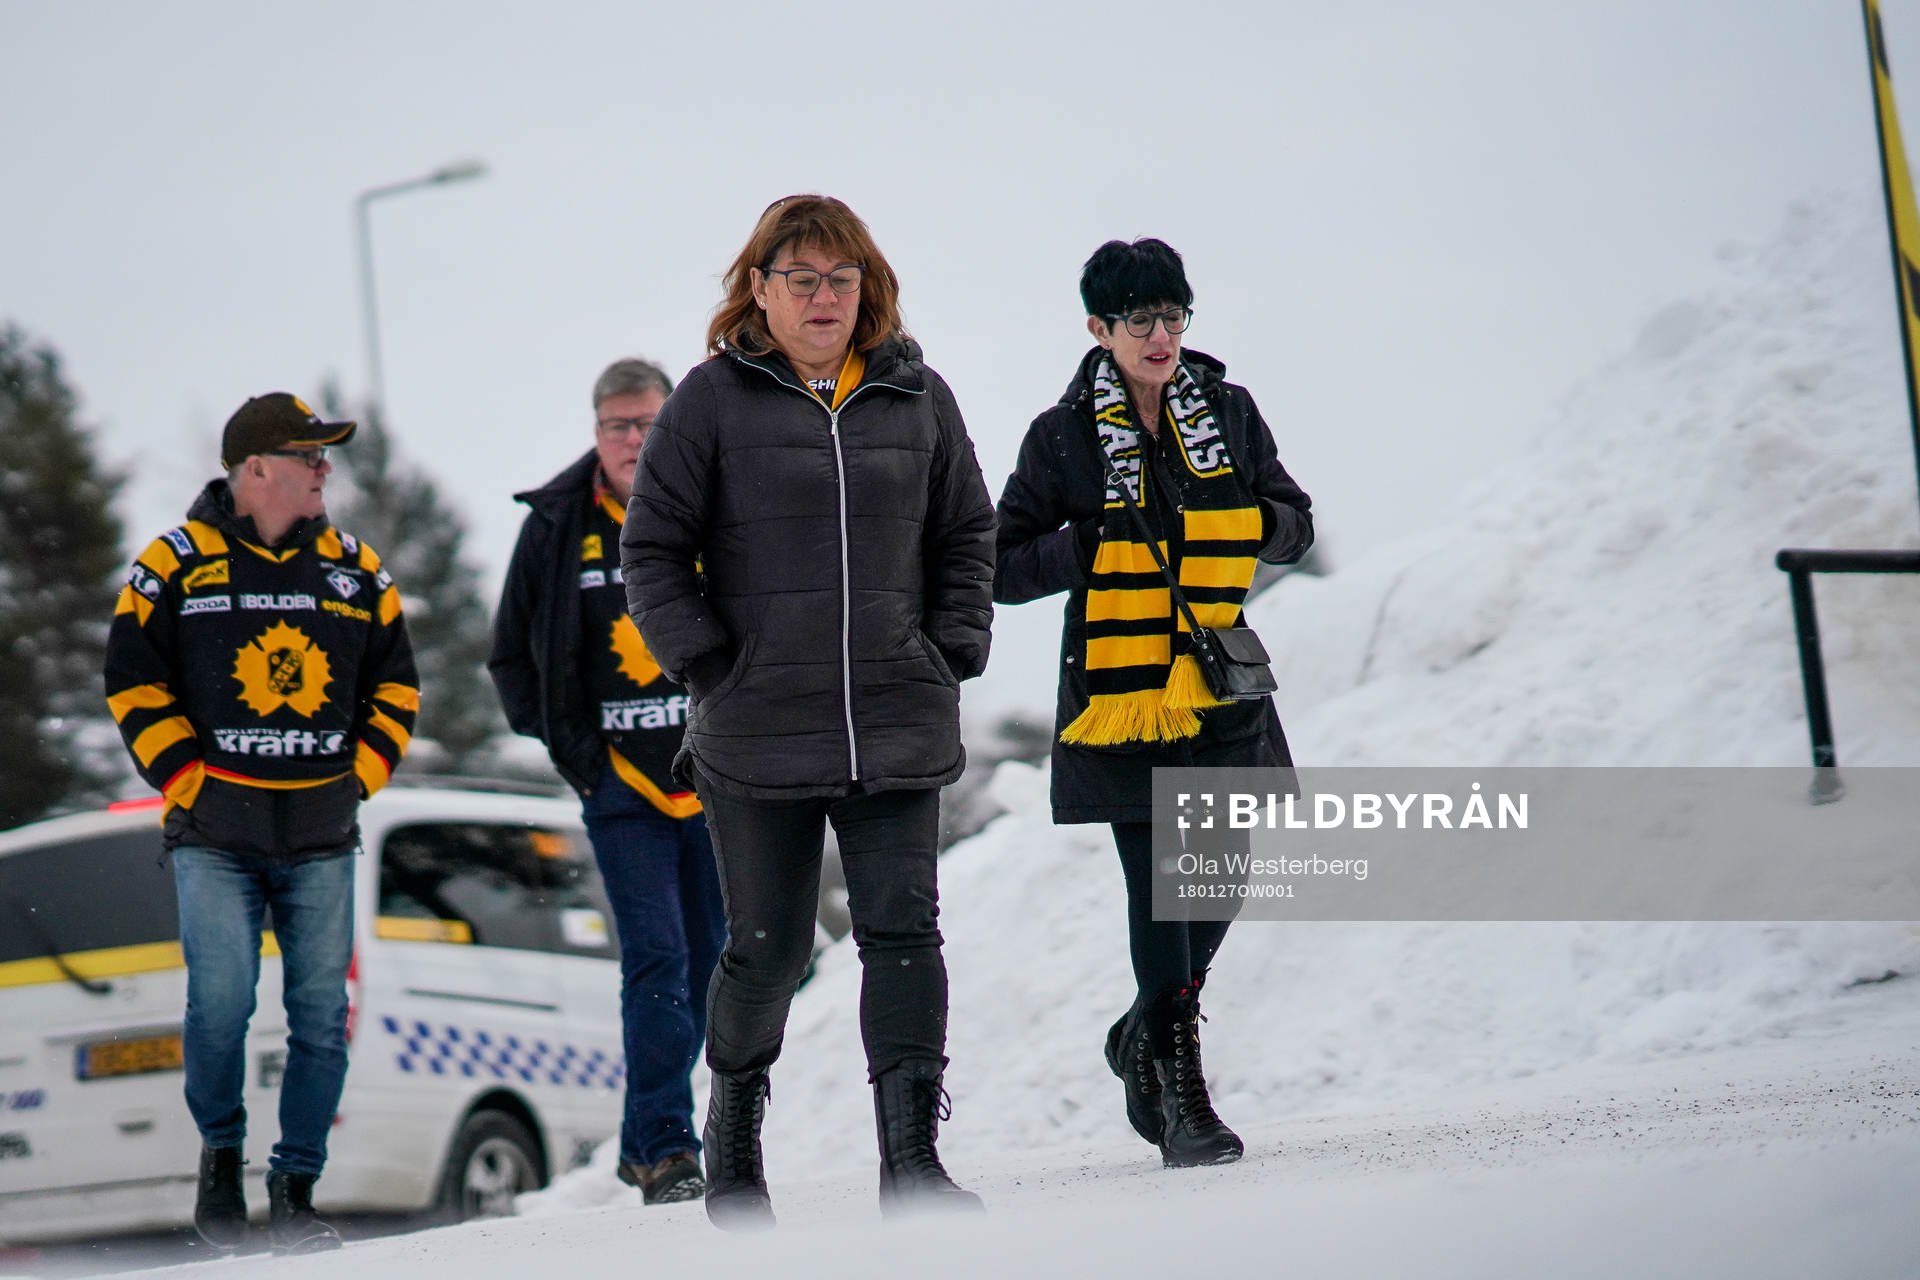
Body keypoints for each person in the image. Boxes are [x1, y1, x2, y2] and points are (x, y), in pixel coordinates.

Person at [620, 194, 996, 1228]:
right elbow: (652, 548)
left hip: (896, 714)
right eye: (802, 278)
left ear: (866, 288)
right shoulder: (709, 401)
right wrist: (711, 665)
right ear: (761, 289)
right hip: (759, 727)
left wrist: (950, 647)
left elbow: (967, 530)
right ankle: (734, 1139)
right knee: (768, 949)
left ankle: (913, 1160)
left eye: (842, 278)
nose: (824, 296)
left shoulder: (918, 397)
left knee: (904, 933)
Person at [993, 239, 1313, 1169]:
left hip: (1216, 688)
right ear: (1100, 328)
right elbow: (1000, 565)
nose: (1161, 335)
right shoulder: (1062, 435)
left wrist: (1251, 522)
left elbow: (1293, 524)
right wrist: (1085, 545)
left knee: (1219, 881)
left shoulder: (1229, 411)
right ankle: (1181, 1092)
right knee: (1162, 886)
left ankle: (1141, 1030)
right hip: (1120, 693)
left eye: (1174, 315)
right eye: (1140, 319)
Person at [103, 393, 419, 1253]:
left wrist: (359, 779)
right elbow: (132, 680)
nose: (324, 470)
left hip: (321, 835)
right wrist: (187, 780)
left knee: (320, 1014)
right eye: (309, 456)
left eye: (325, 456)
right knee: (222, 1003)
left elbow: (397, 685)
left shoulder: (357, 569)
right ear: (255, 470)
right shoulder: (173, 562)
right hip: (214, 836)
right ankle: (220, 1152)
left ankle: (295, 1190)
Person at [488, 357, 725, 1206]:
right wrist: (583, 761)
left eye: (648, 424)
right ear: (596, 433)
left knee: (714, 963)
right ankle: (667, 1149)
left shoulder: (709, 502)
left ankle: (641, 1137)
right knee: (657, 955)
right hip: (622, 788)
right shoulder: (558, 527)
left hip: (715, 774)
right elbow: (511, 657)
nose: (632, 440)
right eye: (617, 426)